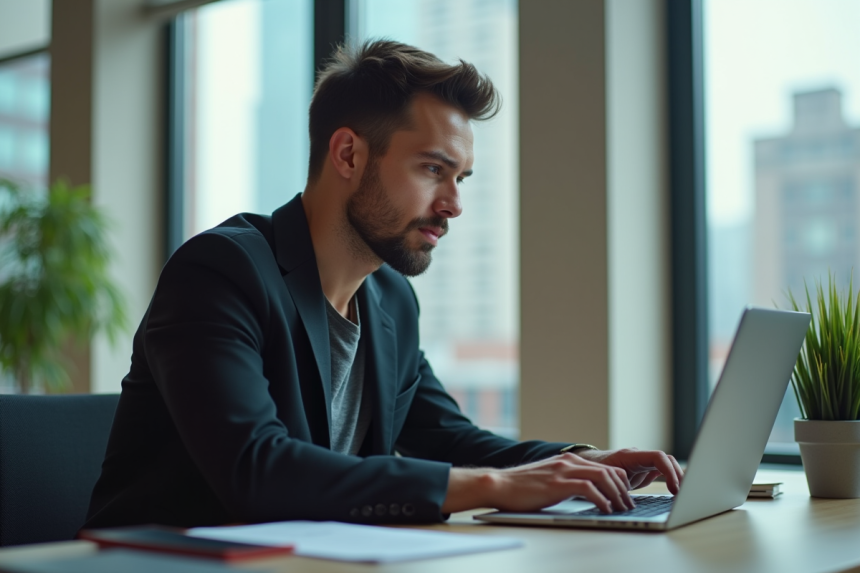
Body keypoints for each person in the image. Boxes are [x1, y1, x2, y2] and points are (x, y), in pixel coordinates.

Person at [84, 40, 682, 529]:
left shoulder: (391, 300)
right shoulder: (220, 272)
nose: (452, 205)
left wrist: (580, 462)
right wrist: (496, 486)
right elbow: (255, 470)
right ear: (347, 154)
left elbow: (448, 438)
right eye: (432, 170)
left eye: (461, 179)